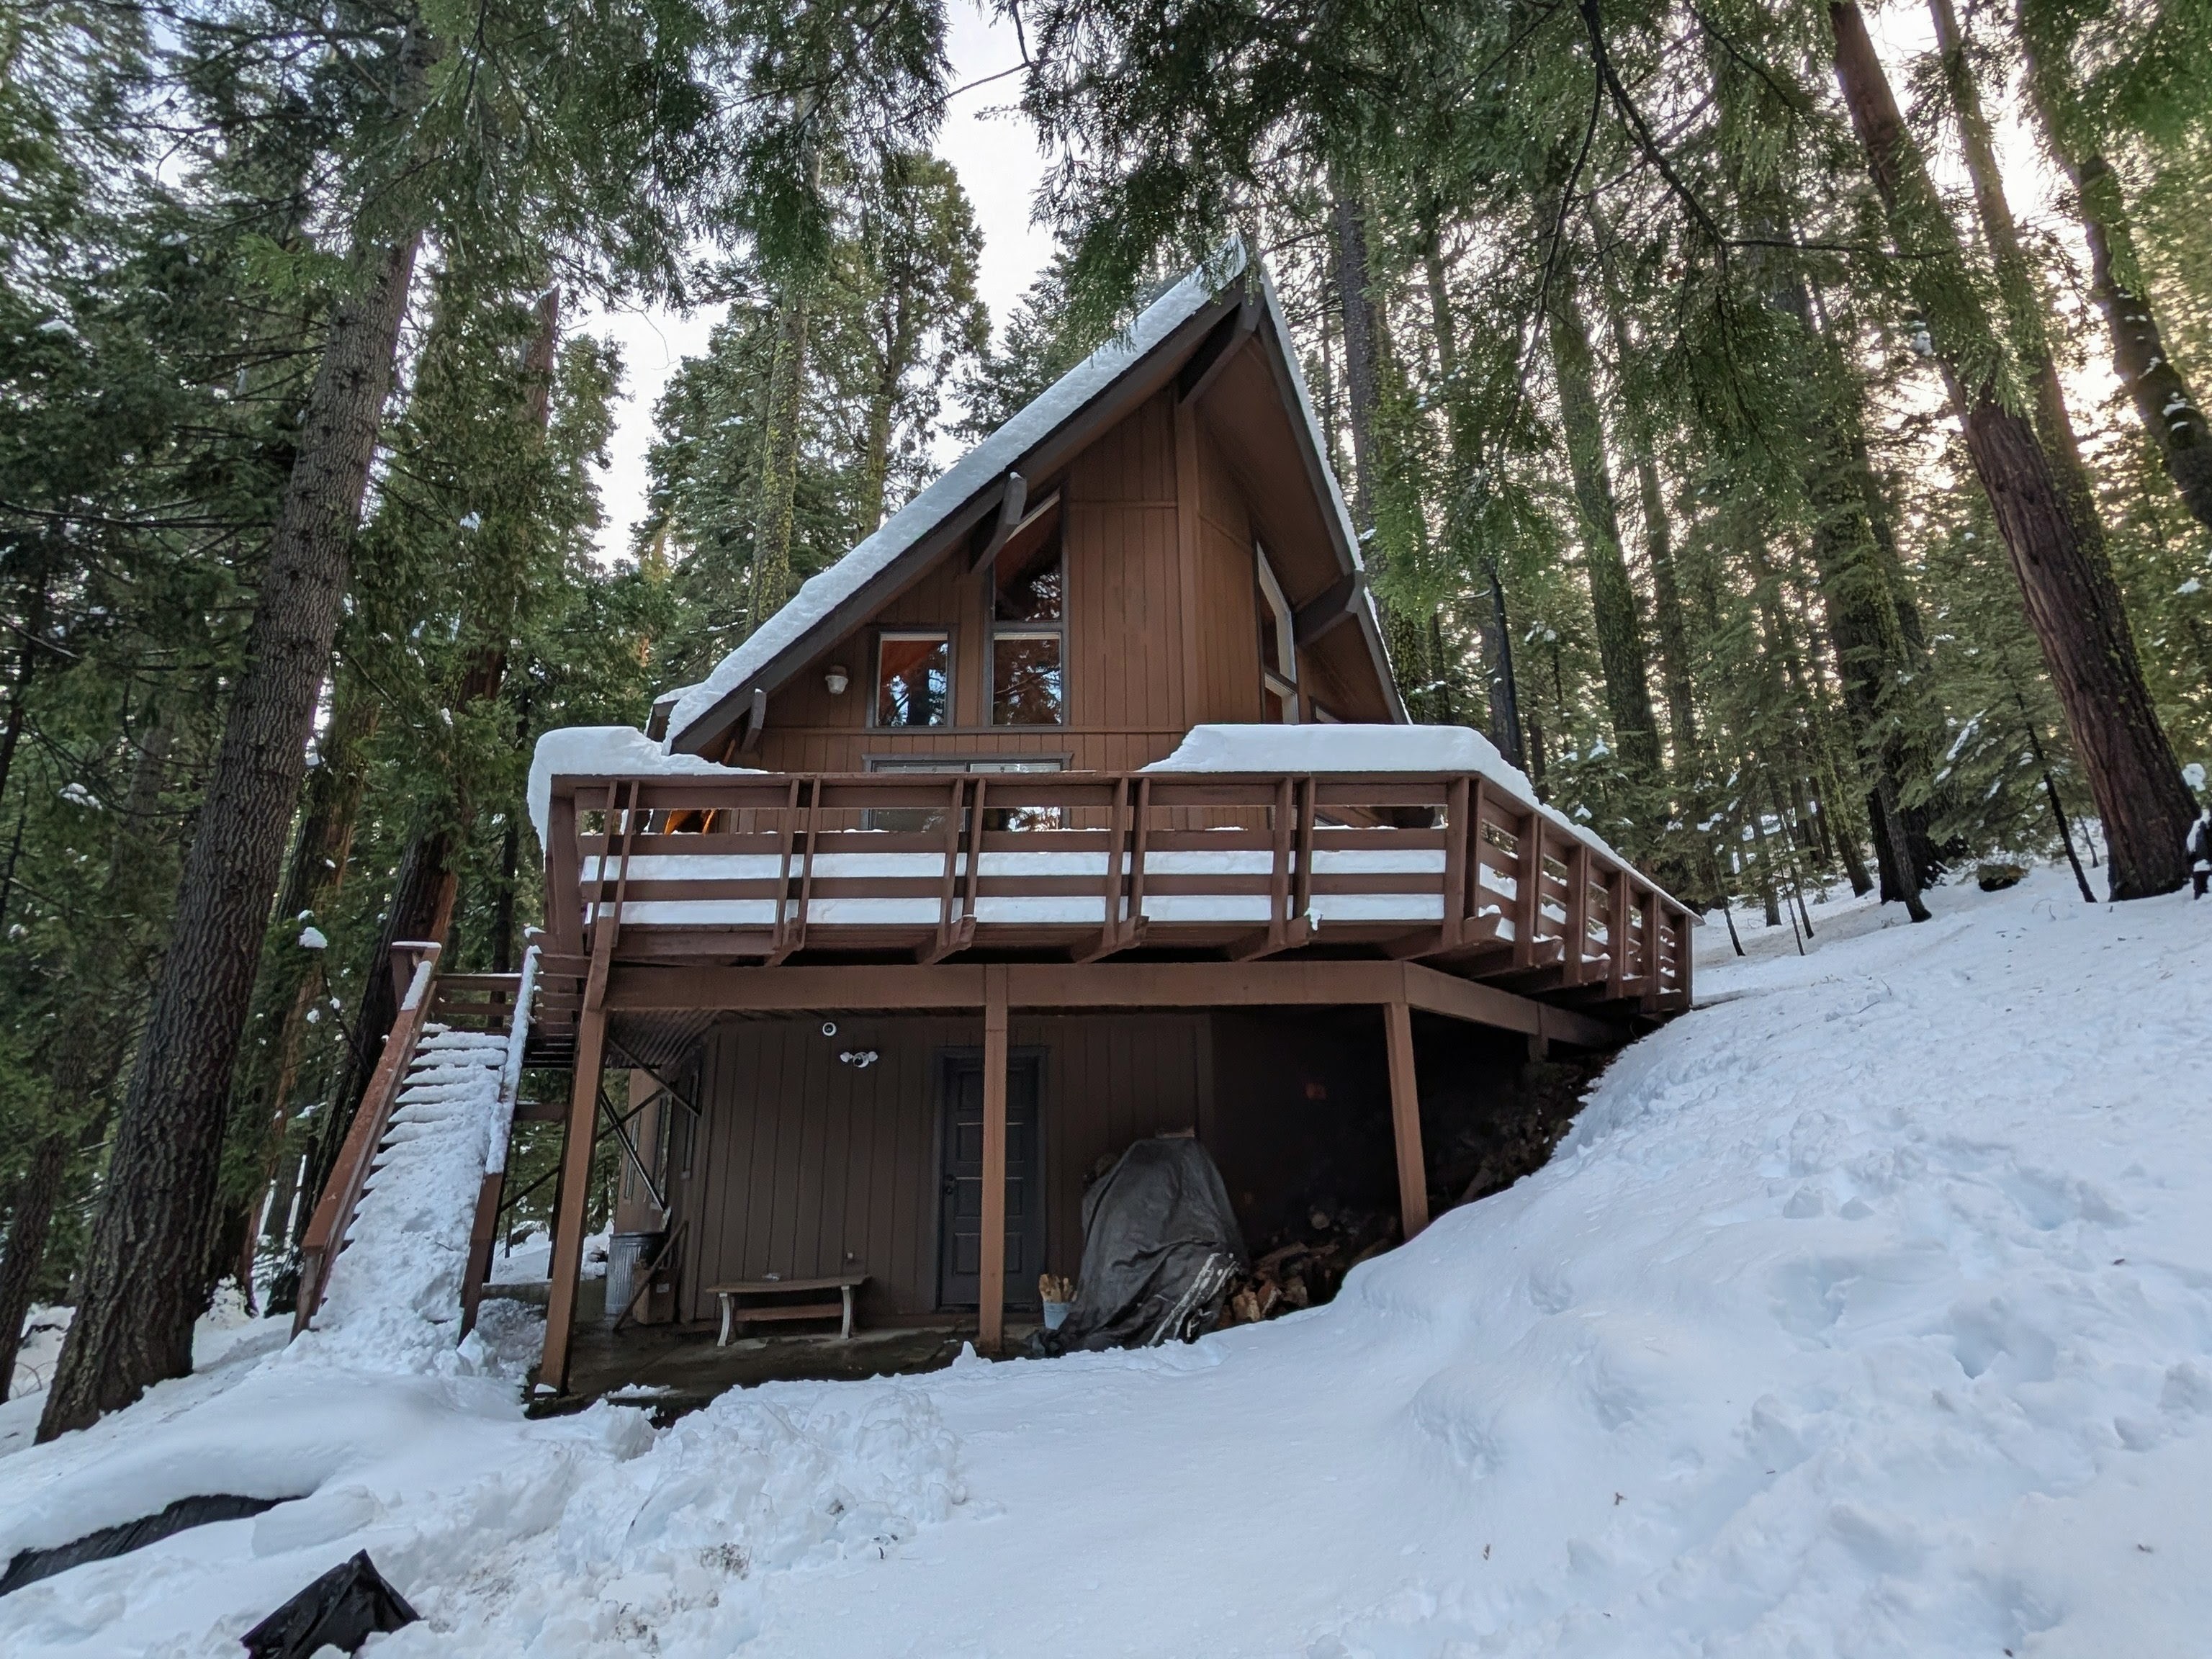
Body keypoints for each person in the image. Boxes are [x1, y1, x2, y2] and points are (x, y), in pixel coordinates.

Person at [2190, 807, 2212, 899]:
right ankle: (2201, 894)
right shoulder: (2202, 825)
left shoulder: (2201, 825)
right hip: (2203, 859)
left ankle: (2200, 893)